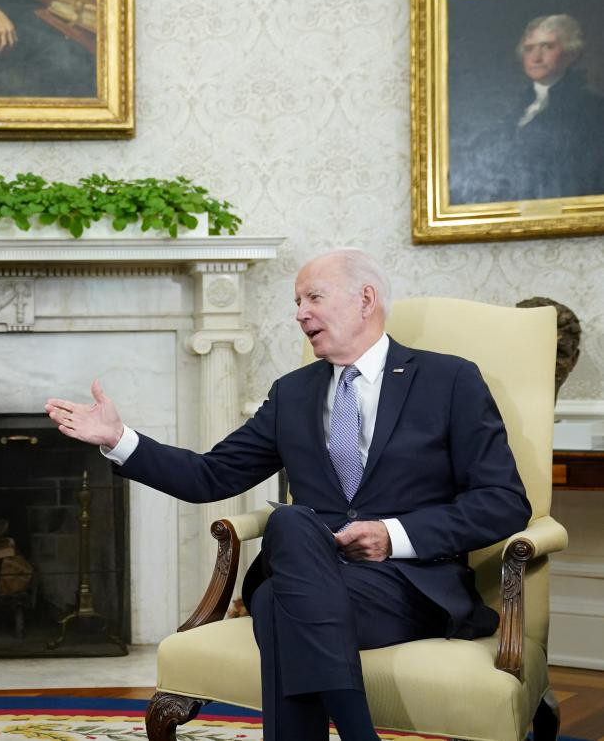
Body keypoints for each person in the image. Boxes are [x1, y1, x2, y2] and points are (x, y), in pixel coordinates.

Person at [45, 249, 531, 741]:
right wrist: (118, 439)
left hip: (407, 586)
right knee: (292, 524)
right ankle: (358, 730)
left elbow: (503, 501)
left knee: (279, 601)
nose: (299, 313)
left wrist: (393, 535)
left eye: (313, 297)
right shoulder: (292, 393)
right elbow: (210, 476)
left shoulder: (449, 380)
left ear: (365, 299)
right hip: (319, 576)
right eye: (296, 301)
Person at [450, 13, 604, 204]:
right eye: (529, 49)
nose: (536, 57)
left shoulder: (593, 109)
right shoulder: (515, 110)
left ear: (571, 53)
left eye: (547, 46)